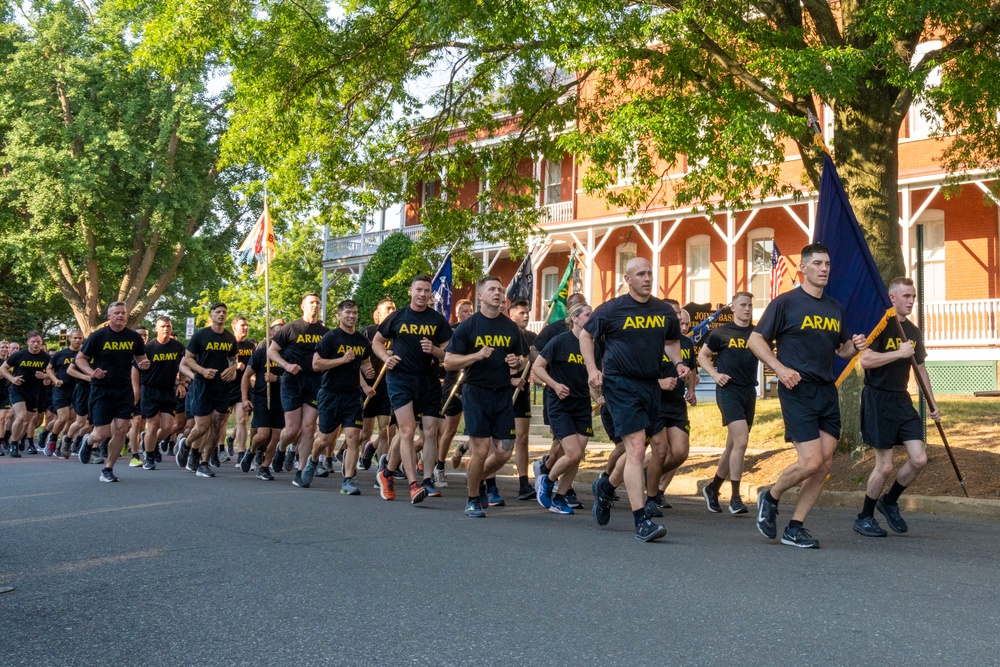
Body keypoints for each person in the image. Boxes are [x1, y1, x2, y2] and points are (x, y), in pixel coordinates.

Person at [748, 242, 867, 548]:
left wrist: (855, 345)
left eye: (827, 264)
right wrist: (779, 368)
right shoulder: (786, 303)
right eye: (817, 264)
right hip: (797, 390)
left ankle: (795, 527)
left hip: (827, 391)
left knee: (825, 464)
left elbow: (841, 350)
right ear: (803, 267)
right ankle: (770, 496)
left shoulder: (834, 308)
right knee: (811, 462)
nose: (824, 269)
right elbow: (755, 339)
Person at [580, 257, 688, 542]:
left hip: (650, 385)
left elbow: (671, 341)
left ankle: (606, 487)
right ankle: (641, 520)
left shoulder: (664, 311)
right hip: (619, 384)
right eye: (641, 274)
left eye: (650, 273)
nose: (647, 278)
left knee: (638, 450)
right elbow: (585, 336)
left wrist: (678, 363)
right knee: (637, 447)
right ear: (627, 279)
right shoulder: (612, 310)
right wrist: (592, 369)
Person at [853, 277, 937, 537]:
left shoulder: (912, 331)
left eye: (913, 297)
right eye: (906, 296)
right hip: (878, 399)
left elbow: (920, 367)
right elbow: (865, 359)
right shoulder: (879, 326)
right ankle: (864, 517)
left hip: (902, 399)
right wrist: (898, 354)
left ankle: (889, 502)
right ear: (892, 298)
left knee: (919, 458)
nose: (911, 301)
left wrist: (933, 403)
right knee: (885, 466)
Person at [443, 275, 527, 517]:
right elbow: (449, 362)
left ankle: (475, 474)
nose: (497, 293)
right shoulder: (468, 327)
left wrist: (516, 362)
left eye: (500, 290)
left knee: (504, 451)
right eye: (492, 289)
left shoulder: (510, 326)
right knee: (480, 450)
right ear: (480, 296)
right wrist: (476, 356)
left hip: (502, 393)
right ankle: (472, 498)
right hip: (476, 392)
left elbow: (521, 359)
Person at [372, 275, 452, 504]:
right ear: (411, 291)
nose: (422, 294)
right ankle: (413, 483)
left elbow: (449, 353)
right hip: (400, 379)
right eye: (419, 290)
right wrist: (386, 357)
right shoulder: (397, 317)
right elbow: (377, 342)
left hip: (428, 381)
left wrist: (435, 351)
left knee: (430, 430)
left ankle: (422, 479)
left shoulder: (437, 320)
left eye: (427, 291)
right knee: (406, 430)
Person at [530, 300, 596, 515]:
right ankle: (546, 481)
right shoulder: (560, 341)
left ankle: (560, 497)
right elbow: (537, 367)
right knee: (573, 453)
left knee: (578, 455)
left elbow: (593, 376)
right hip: (560, 405)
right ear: (575, 318)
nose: (591, 318)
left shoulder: (594, 345)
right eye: (587, 315)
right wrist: (555, 385)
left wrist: (599, 395)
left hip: (582, 404)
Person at [75, 303, 150, 482]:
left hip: (124, 389)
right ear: (109, 316)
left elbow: (141, 358)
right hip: (101, 389)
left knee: (121, 429)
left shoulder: (133, 337)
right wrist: (92, 372)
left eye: (123, 313)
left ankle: (107, 469)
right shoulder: (98, 336)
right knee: (102, 433)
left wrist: (144, 364)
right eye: (116, 313)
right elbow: (80, 359)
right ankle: (87, 441)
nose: (120, 316)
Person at [698, 292, 758, 514]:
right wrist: (715, 375)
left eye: (750, 305)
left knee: (732, 446)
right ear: (733, 308)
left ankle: (712, 488)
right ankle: (735, 498)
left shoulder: (757, 334)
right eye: (742, 305)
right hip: (728, 390)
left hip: (748, 391)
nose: (747, 309)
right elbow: (702, 356)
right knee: (741, 441)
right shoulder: (720, 333)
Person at [310, 300, 375, 493]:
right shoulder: (330, 338)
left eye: (354, 313)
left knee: (354, 437)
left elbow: (365, 362)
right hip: (330, 393)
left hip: (352, 395)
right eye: (347, 312)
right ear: (339, 315)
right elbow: (316, 364)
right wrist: (342, 360)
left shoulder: (362, 341)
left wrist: (367, 370)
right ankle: (312, 461)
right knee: (325, 440)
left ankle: (348, 480)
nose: (352, 316)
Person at [267, 293, 329, 479]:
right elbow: (271, 351)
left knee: (309, 428)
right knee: (292, 430)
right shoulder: (290, 328)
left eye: (317, 303)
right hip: (292, 381)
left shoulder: (325, 333)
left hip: (315, 382)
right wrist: (286, 366)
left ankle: (301, 471)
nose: (315, 306)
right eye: (311, 303)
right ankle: (281, 448)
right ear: (302, 306)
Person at [648, 301, 698, 515]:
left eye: (679, 314)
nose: (678, 318)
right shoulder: (649, 340)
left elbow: (691, 369)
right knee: (659, 452)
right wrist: (657, 383)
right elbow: (636, 374)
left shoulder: (685, 343)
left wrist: (691, 389)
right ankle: (651, 496)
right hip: (655, 403)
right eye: (674, 314)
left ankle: (649, 476)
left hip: (677, 403)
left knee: (679, 452)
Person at [179, 303, 239, 478]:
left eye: (224, 312)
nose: (221, 315)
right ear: (211, 315)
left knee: (217, 424)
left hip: (221, 386)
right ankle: (187, 444)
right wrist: (202, 370)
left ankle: (204, 463)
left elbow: (232, 358)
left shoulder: (229, 338)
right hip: (202, 385)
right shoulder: (200, 336)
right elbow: (188, 359)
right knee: (202, 426)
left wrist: (233, 368)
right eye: (218, 312)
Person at [138, 316, 186, 471]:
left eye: (168, 326)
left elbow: (183, 366)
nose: (166, 329)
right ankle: (149, 457)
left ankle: (151, 443)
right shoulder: (148, 348)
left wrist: (181, 383)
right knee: (152, 424)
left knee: (167, 426)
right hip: (150, 389)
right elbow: (134, 369)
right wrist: (135, 390)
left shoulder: (178, 347)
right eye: (163, 326)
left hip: (168, 390)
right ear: (156, 329)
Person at [240, 319, 286, 480]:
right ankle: (251, 451)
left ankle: (265, 466)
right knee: (262, 434)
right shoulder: (262, 352)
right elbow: (246, 376)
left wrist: (277, 378)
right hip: (261, 397)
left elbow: (294, 374)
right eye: (278, 333)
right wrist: (245, 399)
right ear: (271, 335)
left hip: (281, 398)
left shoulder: (289, 353)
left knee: (277, 435)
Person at [437, 298, 473, 486]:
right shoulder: (451, 331)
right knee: (450, 429)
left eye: (471, 310)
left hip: (472, 383)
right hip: (453, 383)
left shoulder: (477, 329)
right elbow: (446, 357)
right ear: (458, 313)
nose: (468, 313)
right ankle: (440, 466)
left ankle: (465, 453)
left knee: (477, 429)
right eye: (465, 311)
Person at [504, 298, 538, 505]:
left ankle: (524, 483)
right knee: (497, 440)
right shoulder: (505, 334)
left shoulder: (532, 337)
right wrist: (510, 378)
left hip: (521, 391)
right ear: (511, 315)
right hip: (501, 390)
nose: (525, 316)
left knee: (522, 438)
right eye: (521, 313)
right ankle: (484, 480)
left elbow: (537, 357)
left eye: (527, 313)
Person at [0, 332, 52, 458]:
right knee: (21, 416)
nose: (35, 344)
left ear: (41, 343)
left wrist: (45, 376)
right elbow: (3, 368)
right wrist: (12, 379)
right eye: (33, 341)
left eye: (38, 342)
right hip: (17, 389)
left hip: (34, 391)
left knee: (28, 420)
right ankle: (12, 444)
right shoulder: (19, 355)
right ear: (28, 342)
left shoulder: (46, 357)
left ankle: (14, 441)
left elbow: (52, 374)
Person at [359, 299, 396, 470]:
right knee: (365, 432)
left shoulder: (398, 334)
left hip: (387, 387)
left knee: (384, 430)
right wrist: (365, 373)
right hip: (368, 387)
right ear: (378, 314)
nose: (391, 311)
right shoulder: (367, 333)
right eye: (388, 308)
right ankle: (361, 453)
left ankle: (382, 468)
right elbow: (356, 361)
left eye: (393, 308)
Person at [45, 330, 84, 457]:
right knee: (62, 418)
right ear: (69, 338)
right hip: (61, 389)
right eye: (75, 338)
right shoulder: (61, 354)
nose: (77, 340)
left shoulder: (84, 355)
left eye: (80, 338)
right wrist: (55, 380)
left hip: (77, 390)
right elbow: (49, 369)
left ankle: (62, 445)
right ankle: (52, 439)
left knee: (71, 420)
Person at [227, 316, 256, 464]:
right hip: (226, 386)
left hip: (242, 388)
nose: (245, 328)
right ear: (234, 328)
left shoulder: (251, 346)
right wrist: (233, 366)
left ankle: (241, 454)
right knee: (220, 421)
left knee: (242, 420)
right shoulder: (227, 343)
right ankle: (217, 449)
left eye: (246, 325)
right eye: (242, 325)